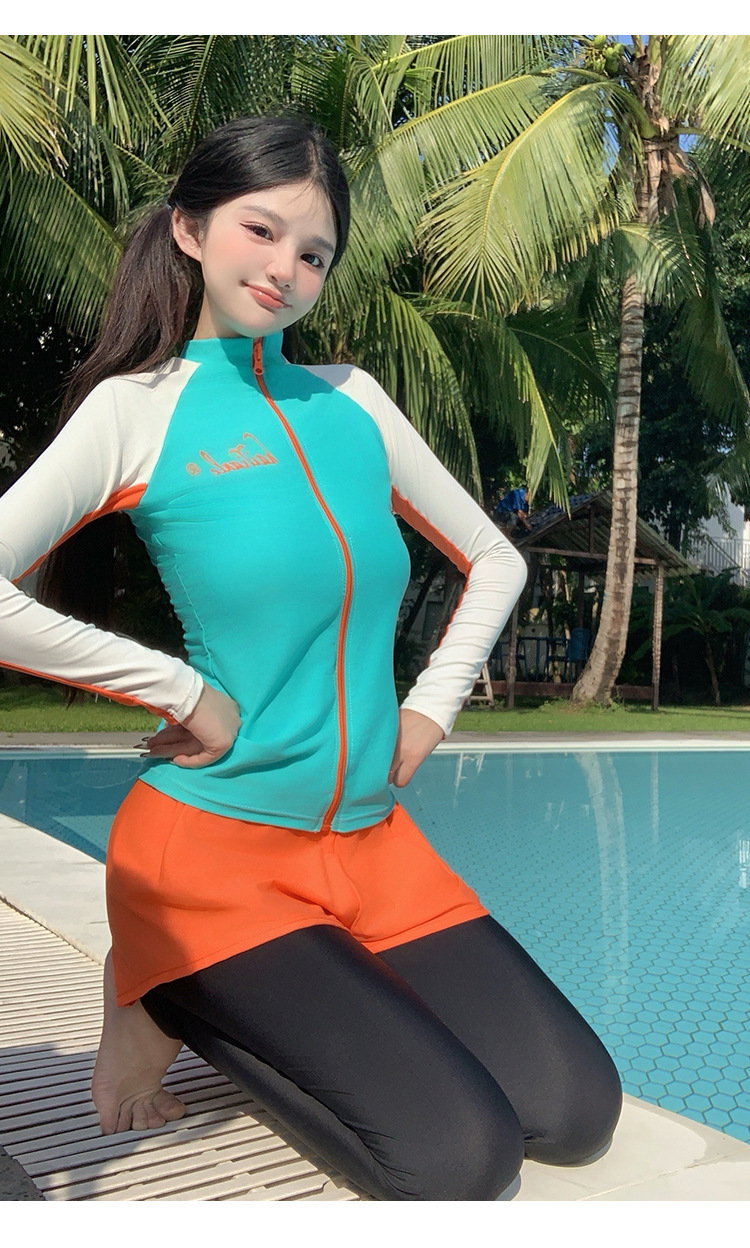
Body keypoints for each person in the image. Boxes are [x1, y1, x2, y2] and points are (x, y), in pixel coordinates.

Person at [0, 115, 621, 1201]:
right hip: (213, 858)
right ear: (190, 230)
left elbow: (496, 559)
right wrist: (180, 688)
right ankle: (156, 991)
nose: (285, 267)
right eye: (261, 230)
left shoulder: (353, 403)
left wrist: (430, 708)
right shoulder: (138, 412)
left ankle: (236, 989)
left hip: (372, 846)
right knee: (459, 1162)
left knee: (574, 1116)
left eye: (315, 253)